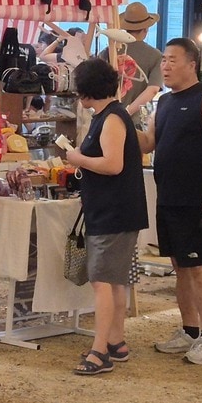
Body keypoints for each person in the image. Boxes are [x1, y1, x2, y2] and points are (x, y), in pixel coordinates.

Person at [139, 38, 202, 365]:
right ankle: (189, 331)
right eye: (164, 59)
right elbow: (148, 143)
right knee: (181, 269)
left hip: (198, 200)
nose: (165, 65)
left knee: (201, 270)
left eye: (173, 59)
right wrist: (117, 116)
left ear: (192, 64)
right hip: (169, 198)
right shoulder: (163, 102)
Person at [65, 58, 148, 375]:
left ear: (86, 92)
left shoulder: (111, 118)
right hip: (116, 210)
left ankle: (99, 352)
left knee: (101, 281)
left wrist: (78, 158)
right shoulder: (114, 115)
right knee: (113, 280)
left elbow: (113, 165)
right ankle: (115, 341)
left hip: (113, 211)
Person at [106, 2, 163, 117]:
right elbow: (153, 89)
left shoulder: (109, 51)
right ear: (146, 29)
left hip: (108, 116)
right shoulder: (155, 55)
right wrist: (127, 112)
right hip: (137, 119)